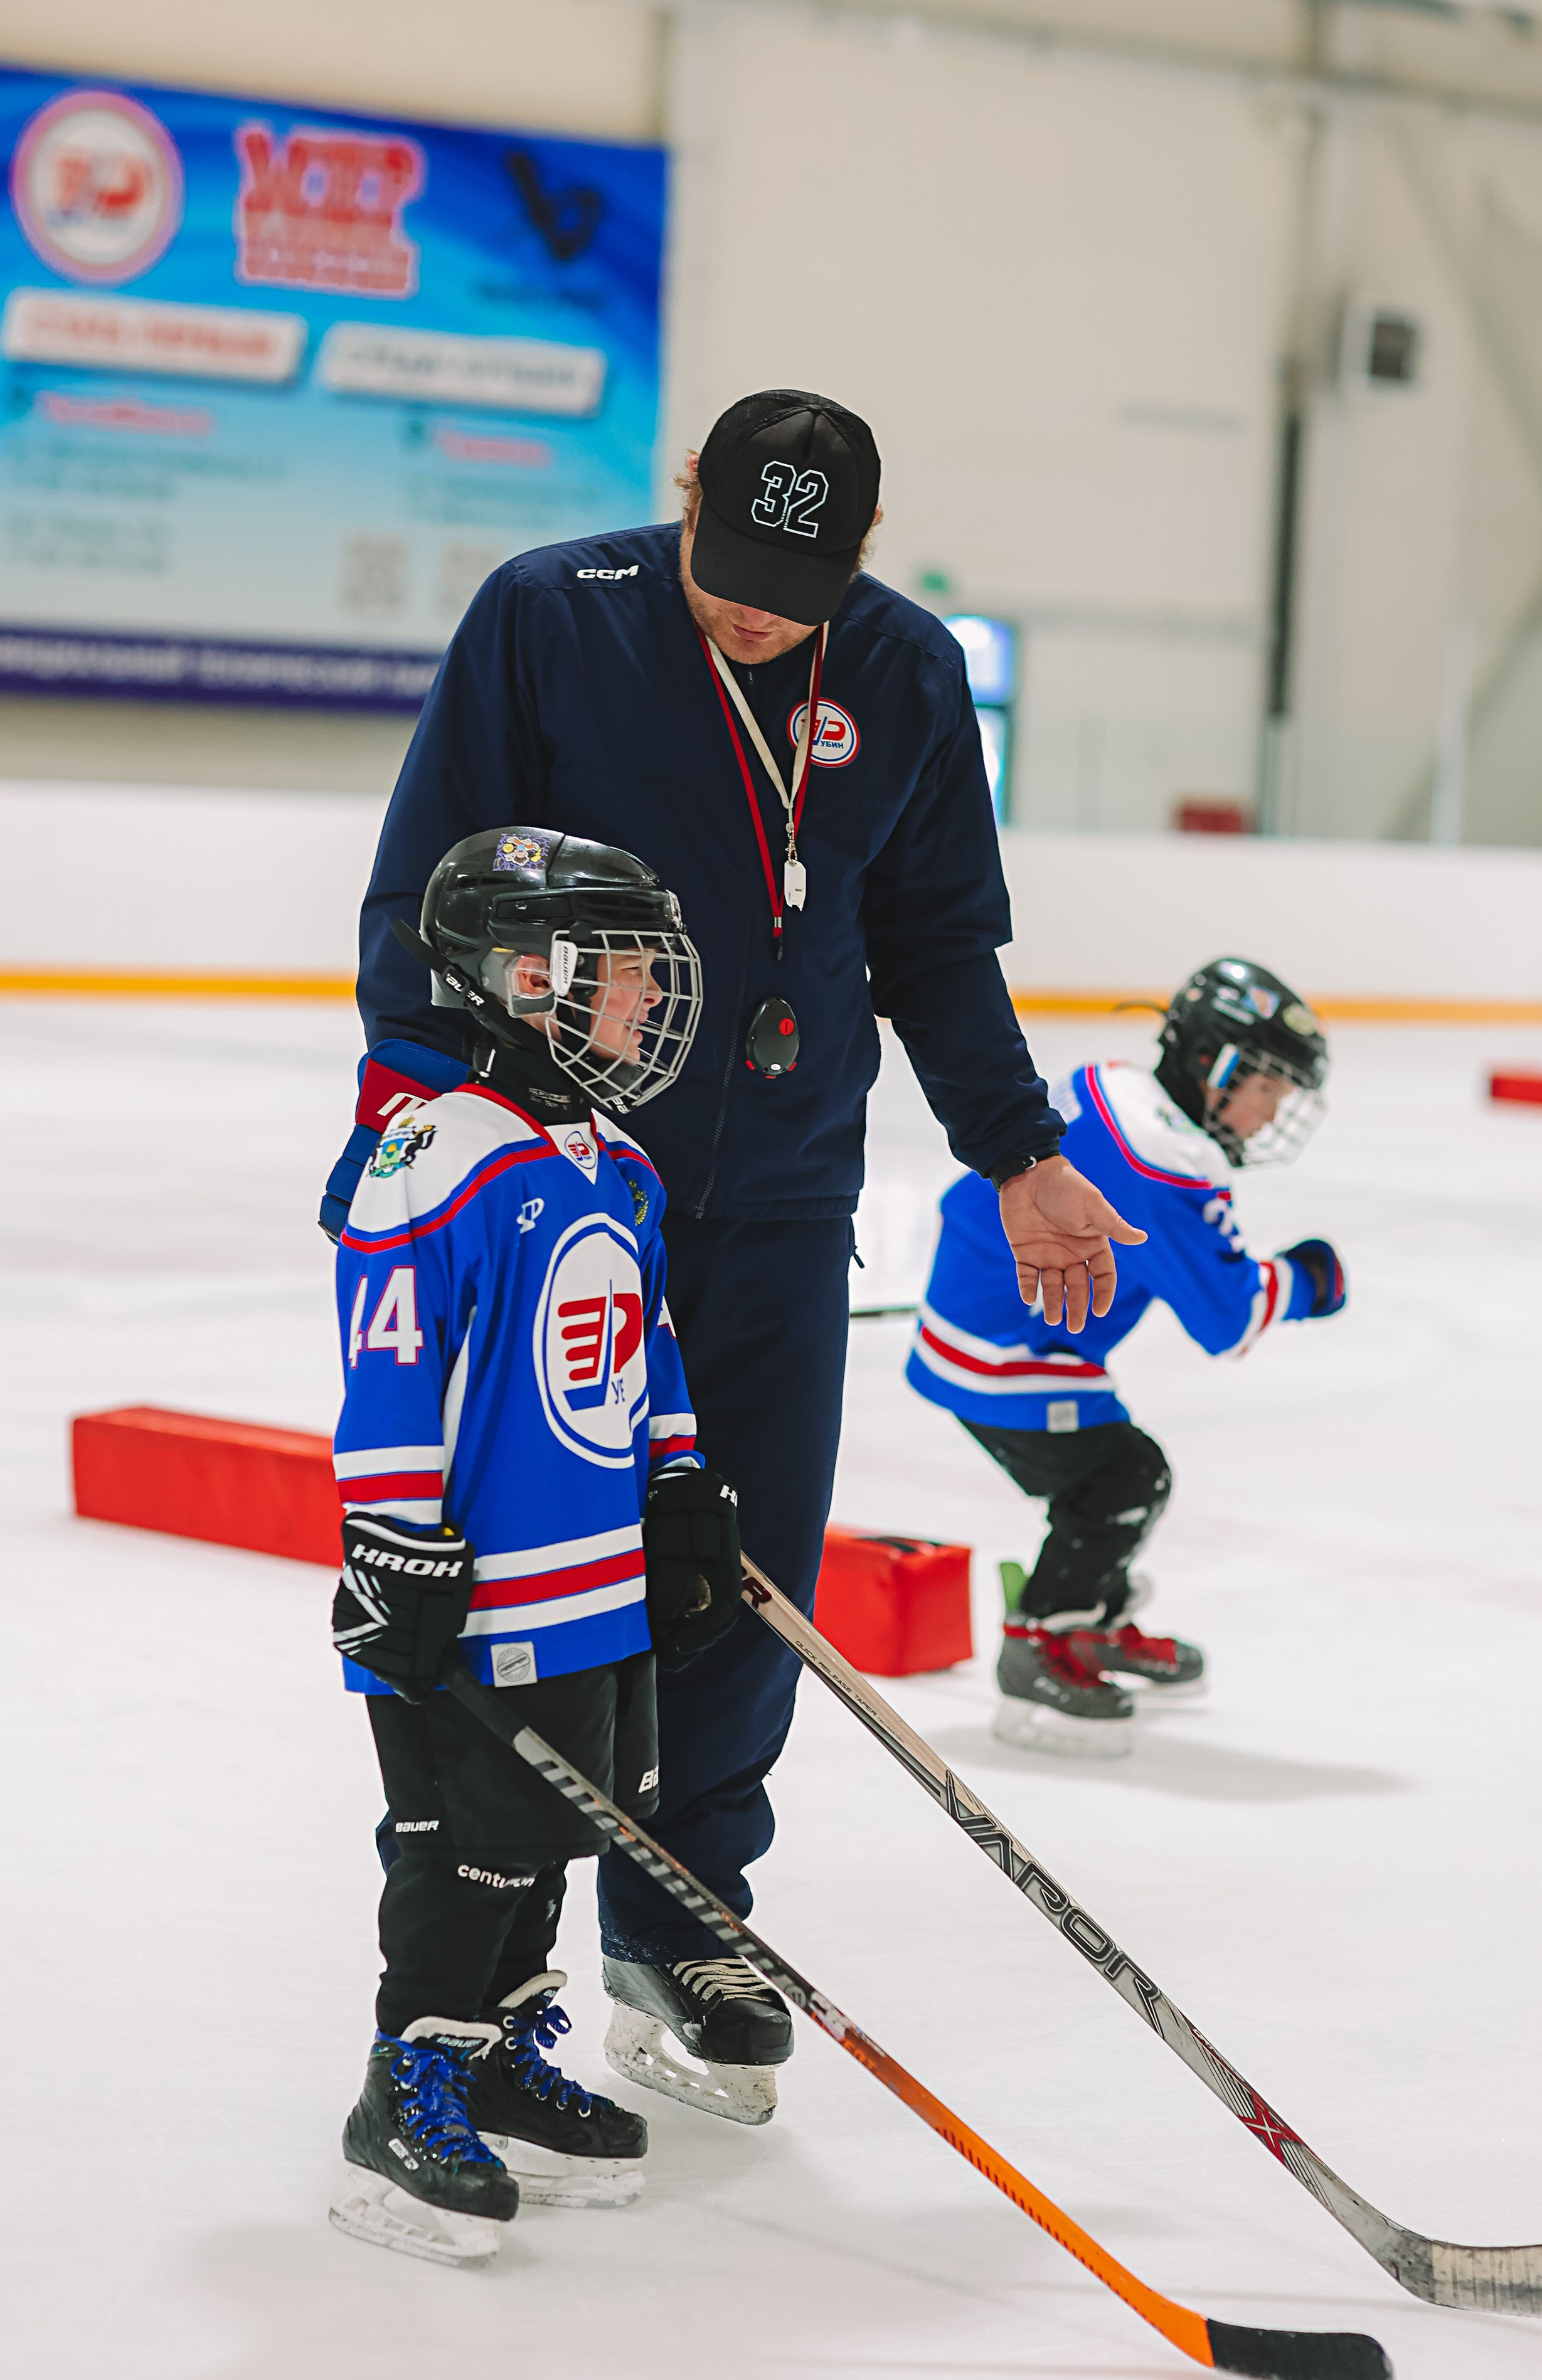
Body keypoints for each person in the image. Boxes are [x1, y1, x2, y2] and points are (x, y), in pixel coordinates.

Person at [321, 387, 1141, 2120]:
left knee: (740, 1565)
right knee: (539, 1590)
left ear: (858, 553)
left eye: (800, 577)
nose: (758, 606)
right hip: (560, 1186)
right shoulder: (555, 617)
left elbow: (933, 941)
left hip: (776, 1189)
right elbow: (425, 891)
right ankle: (487, 1986)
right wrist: (419, 1131)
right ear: (684, 498)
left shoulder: (904, 673)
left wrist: (1023, 1155)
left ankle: (684, 1917)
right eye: (732, 559)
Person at [327, 824, 747, 2267]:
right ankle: (410, 2084)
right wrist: (394, 1550)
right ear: (518, 974)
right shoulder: (433, 1151)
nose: (644, 1000)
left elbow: (648, 1349)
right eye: (618, 971)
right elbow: (389, 1363)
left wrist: (680, 1485)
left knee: (557, 1831)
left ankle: (500, 2049)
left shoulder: (610, 1161)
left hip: (593, 1587)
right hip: (470, 1586)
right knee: (466, 1852)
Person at [905, 958, 1346, 1758]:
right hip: (1003, 1353)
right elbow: (1230, 1318)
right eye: (1269, 1087)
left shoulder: (1111, 1083)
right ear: (1221, 1068)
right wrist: (1313, 1280)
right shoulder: (1168, 1159)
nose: (1270, 1111)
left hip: (981, 1317)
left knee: (1105, 1474)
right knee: (1121, 1480)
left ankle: (1093, 1616)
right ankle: (1041, 1641)